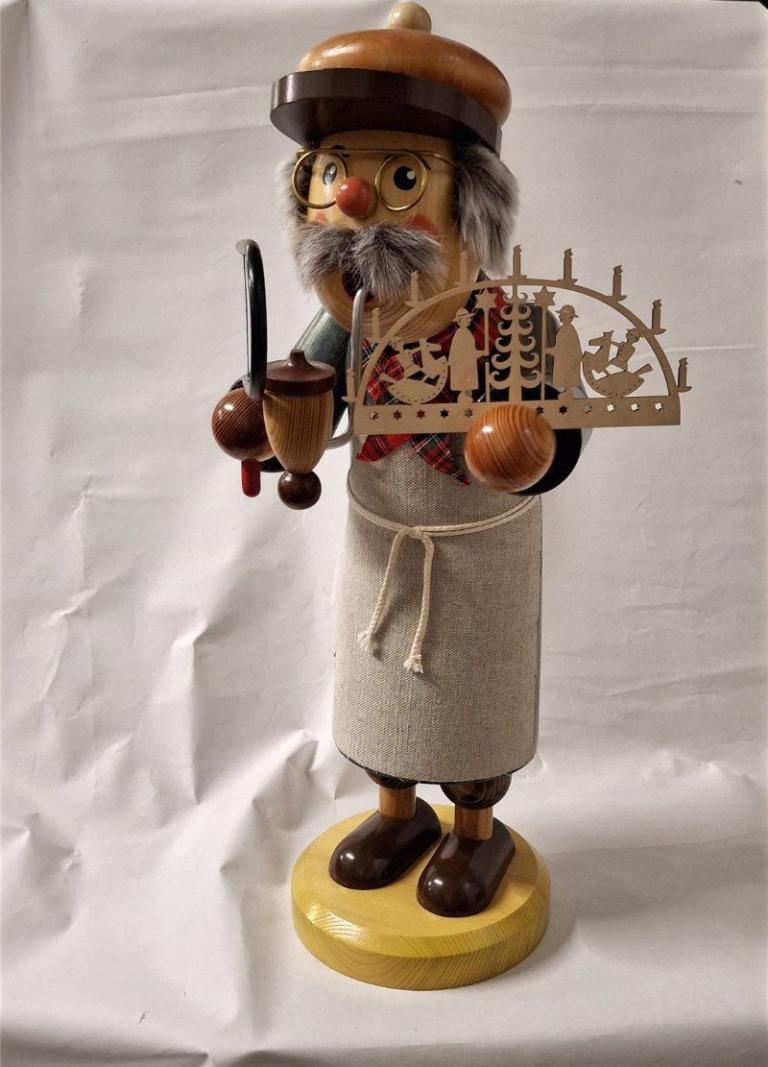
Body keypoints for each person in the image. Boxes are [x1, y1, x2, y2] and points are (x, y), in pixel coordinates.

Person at [269, 2, 584, 916]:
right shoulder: (347, 326)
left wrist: (532, 448)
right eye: (334, 172)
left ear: (470, 202)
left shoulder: (516, 328)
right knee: (381, 699)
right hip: (381, 550)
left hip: (482, 559)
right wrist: (272, 419)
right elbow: (304, 391)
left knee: (475, 699)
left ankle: (476, 832)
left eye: (401, 175)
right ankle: (396, 813)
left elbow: (560, 428)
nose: (354, 200)